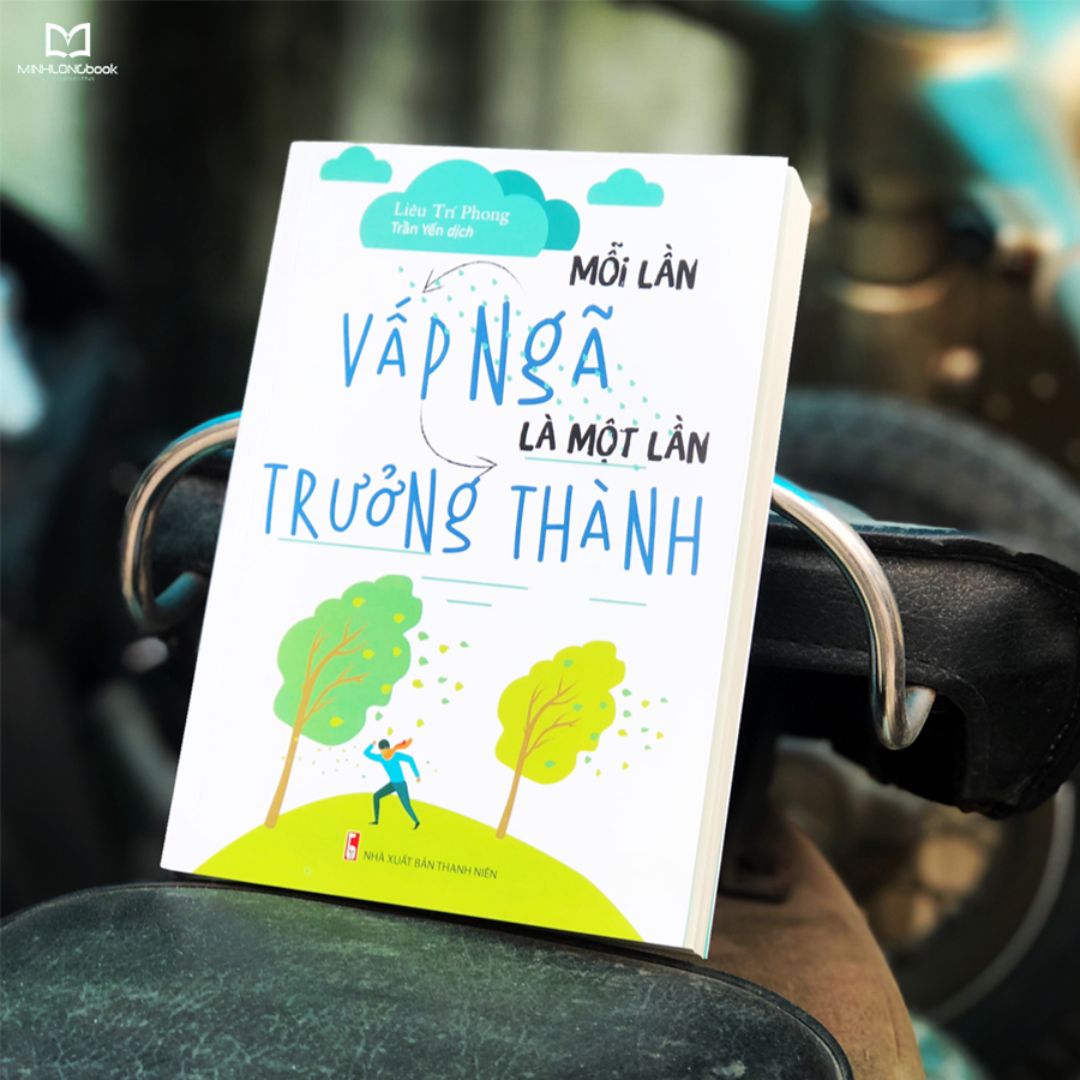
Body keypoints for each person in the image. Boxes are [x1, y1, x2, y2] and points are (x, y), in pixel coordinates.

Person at [364, 738, 421, 829]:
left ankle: (417, 821)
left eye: (386, 750)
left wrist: (417, 775)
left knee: (406, 805)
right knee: (376, 796)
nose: (384, 752)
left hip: (401, 785)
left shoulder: (395, 755)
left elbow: (410, 759)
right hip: (393, 784)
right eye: (382, 751)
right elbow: (366, 753)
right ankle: (376, 821)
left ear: (389, 748)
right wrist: (372, 744)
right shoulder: (380, 757)